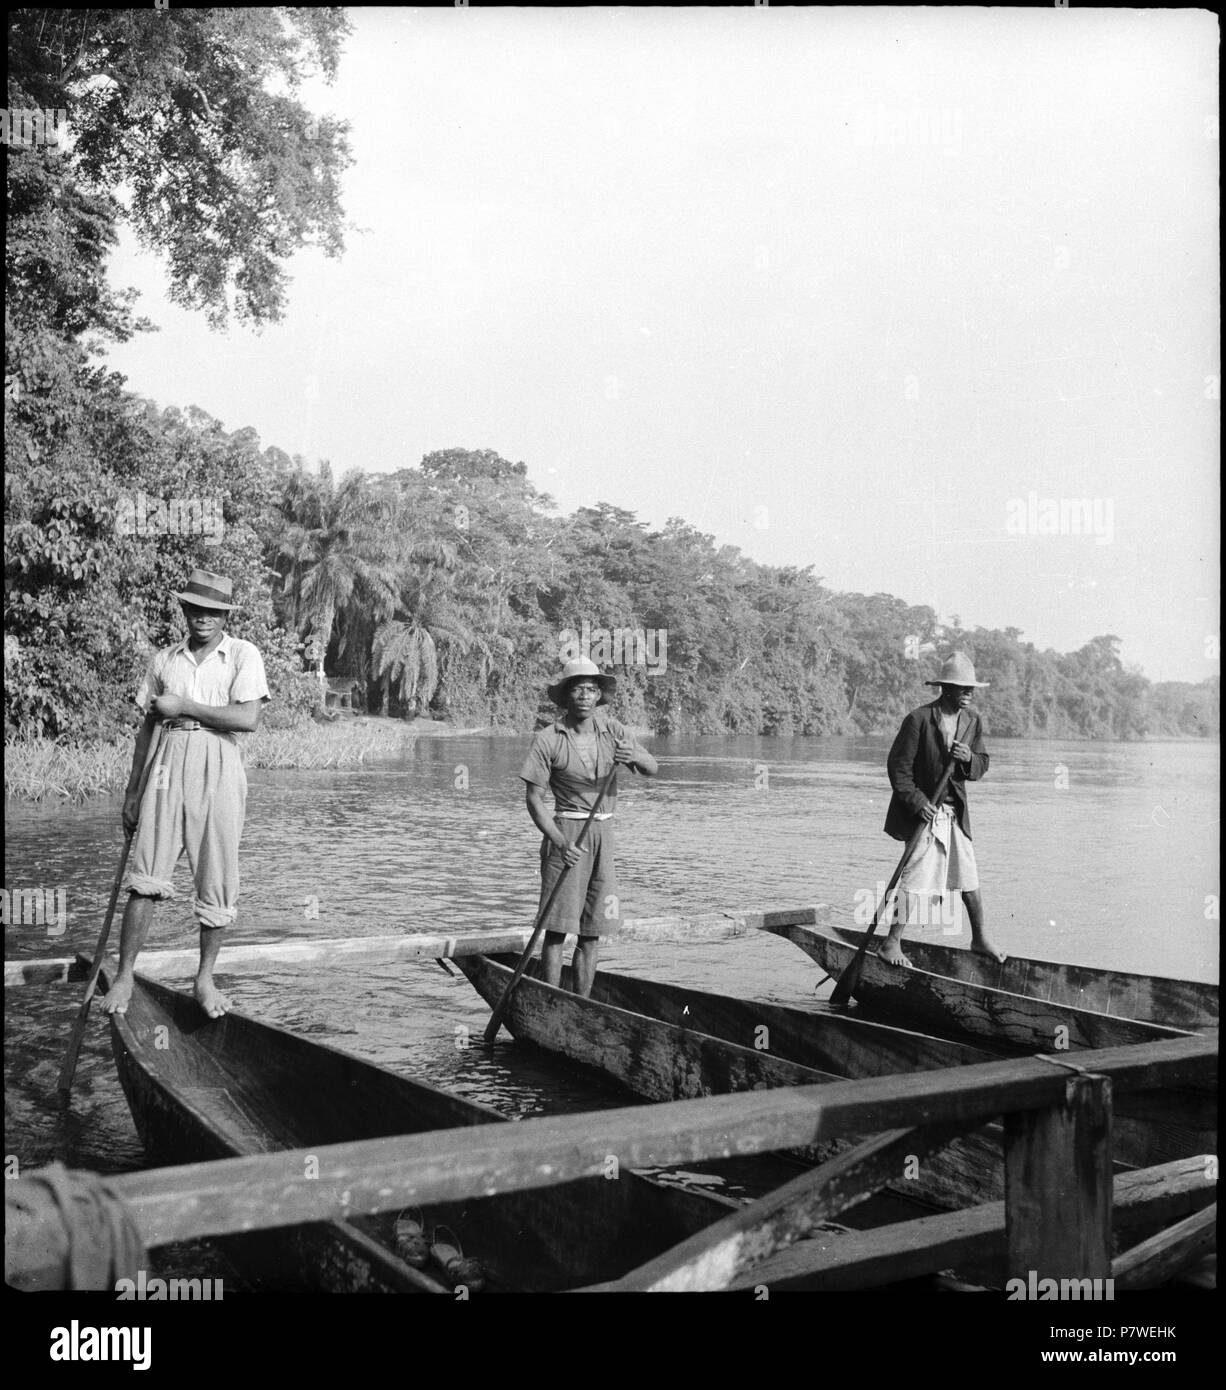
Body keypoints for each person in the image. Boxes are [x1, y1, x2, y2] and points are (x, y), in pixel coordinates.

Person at [104, 569, 270, 1018]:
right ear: (184, 610)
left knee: (217, 875)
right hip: (165, 762)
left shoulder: (241, 654)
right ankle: (124, 976)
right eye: (196, 608)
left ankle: (204, 979)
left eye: (214, 611)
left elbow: (248, 719)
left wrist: (185, 706)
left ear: (225, 615)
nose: (204, 618)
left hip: (219, 764)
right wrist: (132, 793)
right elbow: (146, 731)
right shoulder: (164, 661)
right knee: (146, 876)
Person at [520, 657, 657, 996]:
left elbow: (652, 767)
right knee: (556, 928)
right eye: (577, 688)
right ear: (566, 695)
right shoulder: (548, 738)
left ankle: (582, 1003)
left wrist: (635, 757)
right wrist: (559, 842)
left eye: (591, 689)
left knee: (591, 929)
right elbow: (534, 799)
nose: (584, 695)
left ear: (599, 696)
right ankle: (551, 999)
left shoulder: (615, 732)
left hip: (603, 835)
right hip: (566, 832)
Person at [880, 652, 1005, 968]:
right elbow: (899, 768)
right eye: (963, 688)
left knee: (969, 878)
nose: (969, 694)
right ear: (946, 688)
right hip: (927, 814)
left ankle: (979, 939)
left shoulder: (971, 721)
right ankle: (891, 943)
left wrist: (967, 759)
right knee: (914, 878)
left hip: (955, 814)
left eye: (971, 689)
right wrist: (918, 802)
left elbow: (981, 765)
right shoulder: (919, 719)